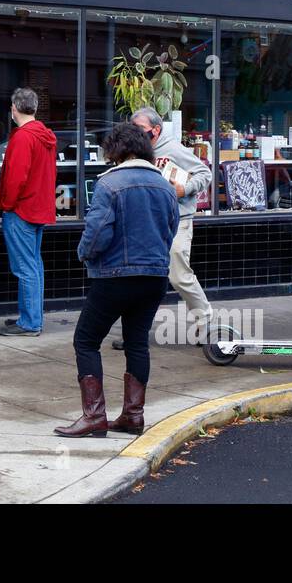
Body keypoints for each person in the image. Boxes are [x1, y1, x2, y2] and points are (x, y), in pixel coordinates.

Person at [56, 123, 178, 438]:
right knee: (137, 342)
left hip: (114, 276)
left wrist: (83, 254)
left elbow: (97, 232)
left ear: (116, 151)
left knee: (85, 340)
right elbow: (171, 227)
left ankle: (94, 416)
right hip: (154, 276)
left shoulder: (109, 185)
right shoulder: (164, 185)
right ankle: (133, 417)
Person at [112, 108, 213, 351]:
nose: (135, 133)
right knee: (143, 277)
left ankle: (206, 323)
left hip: (178, 220)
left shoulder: (173, 149)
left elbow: (204, 172)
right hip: (151, 222)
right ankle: (134, 334)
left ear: (155, 130)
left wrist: (185, 188)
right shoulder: (138, 150)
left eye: (140, 129)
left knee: (178, 274)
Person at [0, 87, 57, 337]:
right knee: (34, 266)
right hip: (39, 208)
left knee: (26, 268)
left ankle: (30, 322)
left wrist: (7, 205)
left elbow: (15, 179)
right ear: (35, 108)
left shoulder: (22, 137)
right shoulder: (45, 136)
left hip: (21, 210)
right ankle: (30, 317)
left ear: (14, 108)